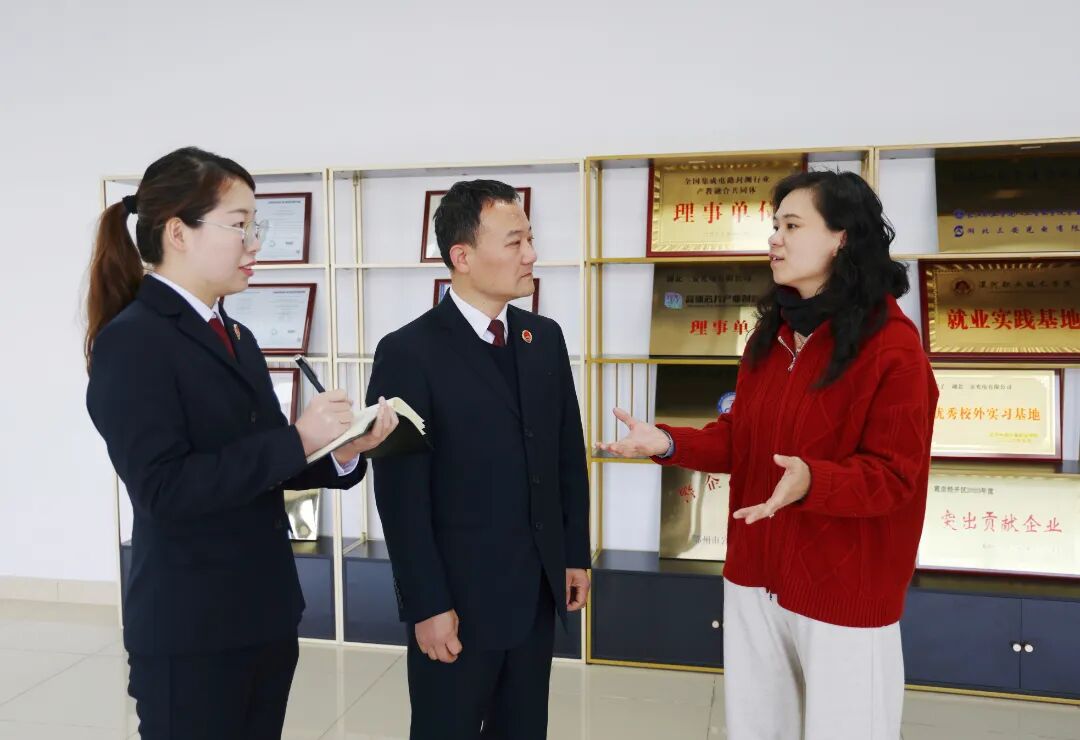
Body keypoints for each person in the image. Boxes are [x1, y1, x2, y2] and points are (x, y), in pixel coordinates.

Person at [598, 170, 938, 740]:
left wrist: (813, 481)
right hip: (755, 577)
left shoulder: (893, 347)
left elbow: (896, 477)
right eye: (775, 225)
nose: (774, 239)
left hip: (843, 589)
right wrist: (670, 442)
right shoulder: (771, 336)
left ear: (842, 238)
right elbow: (742, 440)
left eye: (792, 226)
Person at [84, 146, 398, 739]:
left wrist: (340, 450)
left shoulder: (236, 334)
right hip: (191, 628)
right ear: (178, 232)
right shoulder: (134, 341)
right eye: (239, 225)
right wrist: (298, 437)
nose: (255, 244)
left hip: (262, 614)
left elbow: (265, 462)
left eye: (257, 226)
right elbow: (165, 489)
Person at [366, 179, 590, 739]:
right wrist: (426, 604)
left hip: (535, 594)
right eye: (515, 242)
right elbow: (400, 496)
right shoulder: (407, 352)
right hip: (457, 605)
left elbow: (566, 455)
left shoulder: (544, 338)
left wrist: (573, 554)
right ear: (462, 257)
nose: (531, 255)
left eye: (530, 239)